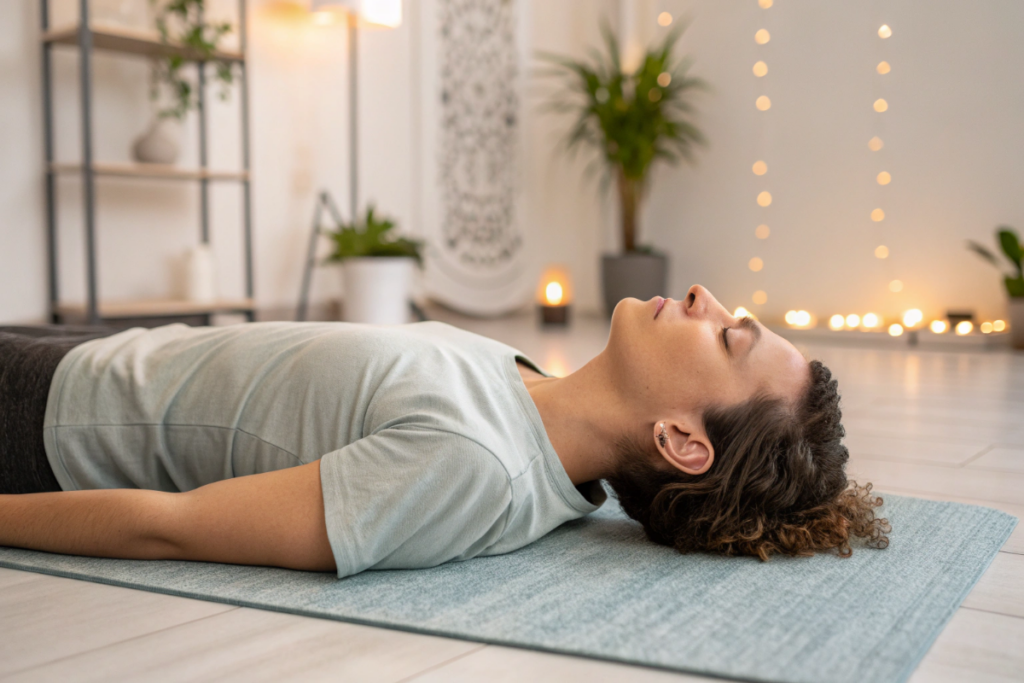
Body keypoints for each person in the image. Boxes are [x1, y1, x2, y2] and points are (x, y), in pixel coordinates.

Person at [0, 285, 889, 578]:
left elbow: (172, 523)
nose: (706, 299)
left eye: (729, 335)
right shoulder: (527, 393)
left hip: (41, 421)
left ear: (683, 442)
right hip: (101, 356)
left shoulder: (471, 463)